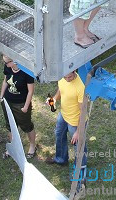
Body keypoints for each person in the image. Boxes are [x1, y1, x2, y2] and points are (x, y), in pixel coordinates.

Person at [45, 70, 87, 198]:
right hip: (63, 115)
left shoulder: (80, 87)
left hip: (75, 122)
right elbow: (61, 90)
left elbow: (83, 111)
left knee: (79, 148)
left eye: (70, 77)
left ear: (74, 72)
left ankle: (81, 180)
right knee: (58, 135)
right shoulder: (62, 76)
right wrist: (54, 99)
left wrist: (78, 132)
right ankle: (61, 159)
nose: (67, 79)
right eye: (65, 77)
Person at [0, 55, 37, 158]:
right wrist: (1, 96)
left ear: (15, 61)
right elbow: (5, 81)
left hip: (21, 103)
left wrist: (25, 107)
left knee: (26, 126)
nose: (6, 65)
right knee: (11, 125)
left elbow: (30, 91)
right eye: (5, 62)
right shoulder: (7, 67)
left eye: (7, 62)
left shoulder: (27, 72)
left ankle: (33, 146)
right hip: (8, 101)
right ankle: (12, 148)